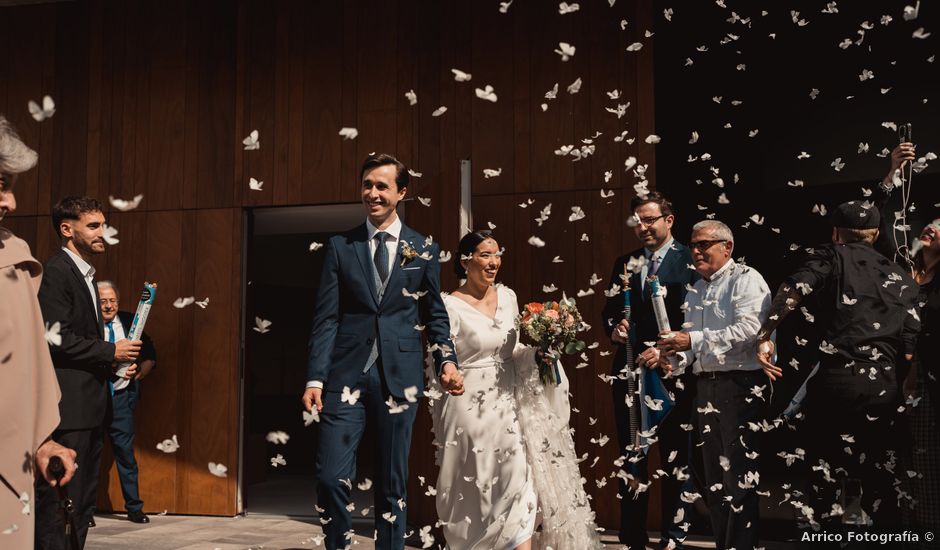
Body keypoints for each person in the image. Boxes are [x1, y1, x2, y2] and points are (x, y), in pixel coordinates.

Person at [302, 153, 461, 550]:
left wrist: (446, 361)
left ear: (401, 193)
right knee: (330, 477)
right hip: (344, 375)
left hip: (399, 376)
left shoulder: (422, 248)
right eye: (367, 185)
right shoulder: (341, 246)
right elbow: (327, 318)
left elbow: (435, 316)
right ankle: (337, 543)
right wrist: (316, 376)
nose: (372, 193)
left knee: (392, 482)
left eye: (381, 186)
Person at [753, 201, 920, 539]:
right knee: (880, 479)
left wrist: (765, 333)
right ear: (874, 235)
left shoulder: (831, 256)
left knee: (824, 475)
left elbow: (794, 289)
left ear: (835, 233)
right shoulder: (899, 275)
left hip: (837, 380)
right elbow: (911, 343)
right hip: (884, 386)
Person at [430, 230, 602, 550]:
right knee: (477, 491)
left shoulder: (508, 297)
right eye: (485, 254)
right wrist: (447, 371)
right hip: (467, 406)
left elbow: (514, 350)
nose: (494, 262)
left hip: (509, 403)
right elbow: (441, 352)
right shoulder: (448, 305)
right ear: (465, 261)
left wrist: (540, 354)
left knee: (518, 482)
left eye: (497, 254)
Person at [640, 220, 771, 550]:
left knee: (739, 479)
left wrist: (691, 341)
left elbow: (749, 332)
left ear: (727, 247)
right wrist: (673, 360)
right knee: (713, 481)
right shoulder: (697, 287)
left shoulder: (746, 279)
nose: (695, 251)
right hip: (705, 388)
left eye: (704, 245)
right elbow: (693, 349)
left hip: (741, 386)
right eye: (693, 244)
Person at [35, 196, 142, 550]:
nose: (102, 233)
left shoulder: (86, 276)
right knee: (59, 505)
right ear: (67, 229)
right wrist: (111, 351)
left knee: (80, 505)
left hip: (92, 408)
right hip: (70, 412)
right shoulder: (56, 272)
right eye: (93, 226)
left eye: (103, 225)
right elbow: (55, 336)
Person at [600, 192, 699, 549]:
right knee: (632, 456)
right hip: (629, 372)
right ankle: (632, 537)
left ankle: (674, 536)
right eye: (637, 222)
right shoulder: (624, 264)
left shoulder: (690, 260)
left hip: (675, 372)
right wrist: (614, 327)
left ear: (668, 221)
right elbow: (610, 309)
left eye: (649, 220)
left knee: (676, 457)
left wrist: (666, 349)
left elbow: (695, 317)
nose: (642, 227)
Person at [0, 115, 78, 549]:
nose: (10, 201)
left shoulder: (13, 257)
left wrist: (44, 441)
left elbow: (30, 364)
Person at [97, 280, 156, 524]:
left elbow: (150, 352)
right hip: (94, 399)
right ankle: (84, 511)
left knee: (126, 457)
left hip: (121, 399)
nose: (108, 306)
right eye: (103, 301)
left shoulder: (132, 321)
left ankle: (134, 508)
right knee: (89, 456)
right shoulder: (88, 324)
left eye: (113, 300)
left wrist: (142, 369)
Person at [905, 218, 940, 541]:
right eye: (930, 223)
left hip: (931, 377)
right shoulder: (906, 274)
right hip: (903, 380)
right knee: (916, 462)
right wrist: (891, 177)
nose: (933, 227)